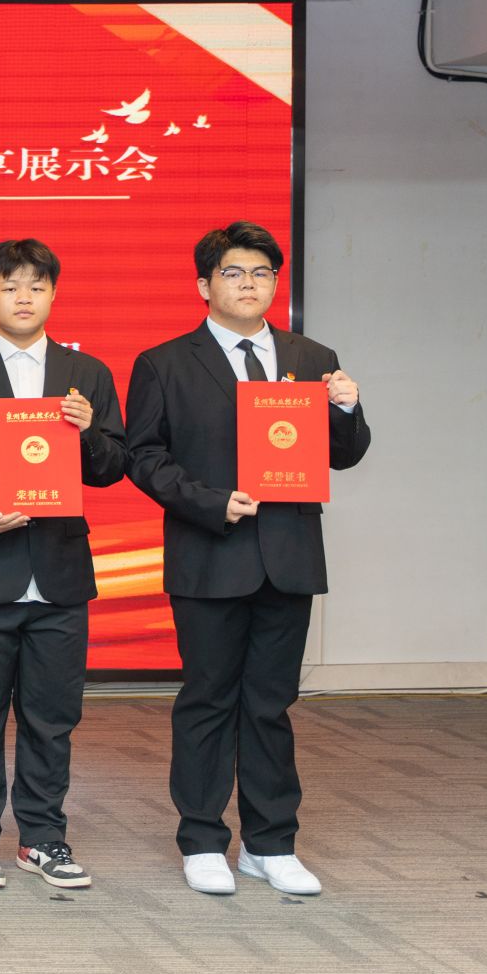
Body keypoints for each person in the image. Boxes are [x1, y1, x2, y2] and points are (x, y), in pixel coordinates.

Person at [126, 221, 369, 897]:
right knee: (208, 699)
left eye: (262, 273)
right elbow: (144, 457)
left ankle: (270, 843)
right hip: (210, 553)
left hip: (288, 556)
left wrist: (347, 407)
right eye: (233, 273)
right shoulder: (165, 362)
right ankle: (203, 838)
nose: (249, 284)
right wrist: (210, 502)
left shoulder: (312, 356)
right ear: (204, 285)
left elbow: (343, 454)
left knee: (270, 703)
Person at [0, 239, 127, 891]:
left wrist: (90, 431)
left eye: (36, 285)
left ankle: (42, 835)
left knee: (52, 716)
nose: (24, 297)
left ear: (54, 293)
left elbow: (112, 467)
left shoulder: (86, 373)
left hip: (60, 574)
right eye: (10, 286)